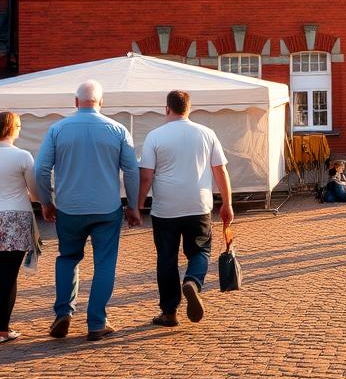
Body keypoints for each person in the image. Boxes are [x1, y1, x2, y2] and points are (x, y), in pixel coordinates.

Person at [35, 80, 140, 342]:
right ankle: (96, 322)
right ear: (102, 102)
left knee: (68, 258)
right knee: (105, 264)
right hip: (107, 208)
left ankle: (63, 311)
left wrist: (46, 202)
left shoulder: (57, 129)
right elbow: (131, 171)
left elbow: (41, 170)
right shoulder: (118, 130)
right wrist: (134, 206)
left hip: (69, 208)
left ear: (76, 102)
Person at [137, 90, 233, 328]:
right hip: (198, 205)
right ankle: (192, 282)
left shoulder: (155, 136)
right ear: (189, 108)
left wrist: (136, 206)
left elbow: (146, 177)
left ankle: (169, 312)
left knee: (166, 259)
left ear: (167, 108)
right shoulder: (206, 134)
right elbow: (220, 171)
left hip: (165, 208)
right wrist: (227, 204)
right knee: (200, 251)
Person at [0, 112, 39, 343]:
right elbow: (35, 192)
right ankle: (2, 329)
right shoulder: (23, 156)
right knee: (8, 274)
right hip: (15, 217)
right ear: (13, 128)